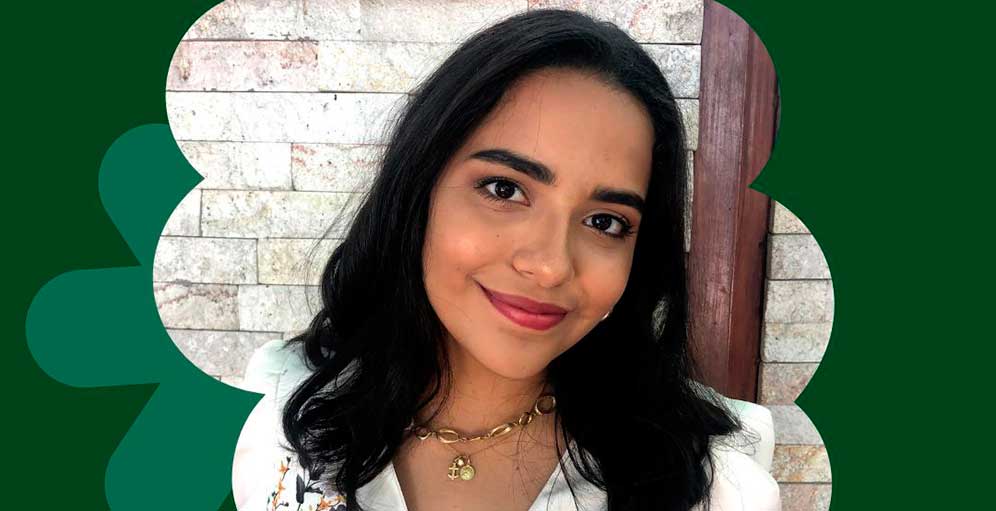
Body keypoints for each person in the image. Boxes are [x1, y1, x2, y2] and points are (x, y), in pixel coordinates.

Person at [233, 8, 780, 511]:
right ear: (418, 189)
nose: (550, 266)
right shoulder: (284, 410)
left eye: (605, 222)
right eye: (504, 189)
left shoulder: (715, 487)